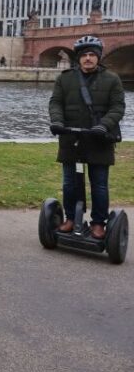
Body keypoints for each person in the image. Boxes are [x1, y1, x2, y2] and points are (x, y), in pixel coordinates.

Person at [48, 35, 125, 239]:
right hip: (71, 139)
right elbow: (55, 103)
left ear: (98, 57)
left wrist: (103, 125)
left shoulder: (112, 79)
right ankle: (71, 218)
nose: (88, 58)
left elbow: (118, 107)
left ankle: (98, 223)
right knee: (69, 183)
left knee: (99, 184)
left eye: (92, 54)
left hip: (99, 139)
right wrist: (57, 122)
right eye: (84, 55)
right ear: (78, 58)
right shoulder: (65, 78)